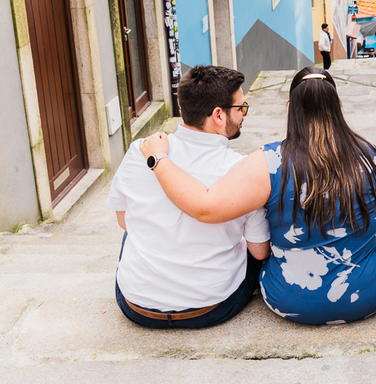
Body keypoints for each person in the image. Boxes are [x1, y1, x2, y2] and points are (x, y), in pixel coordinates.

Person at [140, 67, 376, 325]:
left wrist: (159, 159)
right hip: (375, 289)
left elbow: (204, 207)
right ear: (338, 105)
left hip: (294, 301)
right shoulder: (370, 154)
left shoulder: (268, 163)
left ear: (290, 109)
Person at [107, 65, 270, 329]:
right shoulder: (242, 169)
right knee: (256, 243)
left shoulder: (141, 151)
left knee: (134, 227)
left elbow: (123, 221)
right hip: (210, 307)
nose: (243, 114)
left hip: (137, 306)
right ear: (219, 115)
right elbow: (259, 251)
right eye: (241, 108)